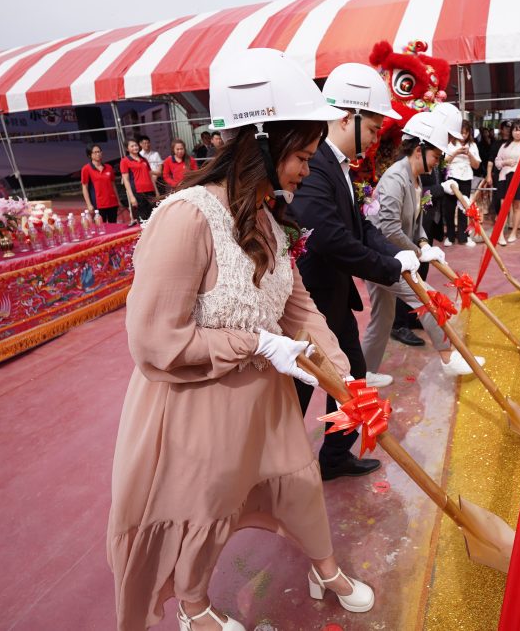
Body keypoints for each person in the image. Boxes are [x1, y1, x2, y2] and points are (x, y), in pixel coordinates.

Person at [107, 48, 374, 631]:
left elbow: (300, 309)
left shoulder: (269, 219)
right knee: (207, 510)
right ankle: (194, 606)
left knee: (298, 484)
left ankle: (323, 567)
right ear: (261, 141)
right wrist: (255, 344)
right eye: (302, 155)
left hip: (265, 406)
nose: (308, 169)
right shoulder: (185, 218)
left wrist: (339, 373)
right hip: (198, 408)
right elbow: (155, 341)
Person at [289, 62, 419, 481]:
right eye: (373, 126)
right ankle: (280, 466)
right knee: (299, 388)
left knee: (352, 376)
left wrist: (397, 256)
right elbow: (328, 238)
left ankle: (333, 455)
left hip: (332, 298)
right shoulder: (317, 166)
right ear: (347, 116)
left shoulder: (337, 164)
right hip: (309, 302)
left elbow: (360, 227)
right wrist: (387, 266)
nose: (375, 135)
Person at [368, 112, 482, 378]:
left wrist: (421, 241)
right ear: (419, 150)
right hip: (381, 258)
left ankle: (366, 372)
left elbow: (416, 218)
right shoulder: (396, 178)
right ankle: (447, 356)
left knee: (382, 319)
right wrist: (419, 252)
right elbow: (389, 227)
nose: (438, 161)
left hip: (396, 255)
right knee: (431, 299)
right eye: (436, 155)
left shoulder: (415, 178)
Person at [441, 119, 481, 246]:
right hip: (451, 177)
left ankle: (463, 237)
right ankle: (451, 236)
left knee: (464, 208)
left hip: (466, 178)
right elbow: (443, 163)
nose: (463, 135)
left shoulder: (473, 146)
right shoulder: (449, 144)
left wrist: (469, 154)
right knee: (449, 208)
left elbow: (476, 166)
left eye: (466, 133)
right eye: (461, 132)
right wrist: (456, 152)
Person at [120, 138, 158, 221]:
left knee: (154, 216)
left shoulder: (144, 160)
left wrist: (156, 191)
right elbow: (126, 180)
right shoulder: (125, 161)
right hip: (138, 193)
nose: (135, 147)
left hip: (150, 191)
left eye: (136, 145)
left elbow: (150, 176)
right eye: (132, 146)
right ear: (127, 149)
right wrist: (132, 197)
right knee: (143, 219)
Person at [81, 144, 120, 223]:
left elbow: (113, 185)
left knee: (113, 227)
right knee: (101, 228)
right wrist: (89, 204)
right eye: (95, 152)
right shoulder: (86, 169)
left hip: (112, 203)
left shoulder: (109, 167)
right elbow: (84, 187)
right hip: (98, 204)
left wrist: (118, 200)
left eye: (99, 152)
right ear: (89, 155)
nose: (98, 154)